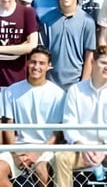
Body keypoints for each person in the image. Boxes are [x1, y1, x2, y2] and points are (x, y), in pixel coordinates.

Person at [54, 45, 107, 187]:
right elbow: (69, 124)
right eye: (103, 63)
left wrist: (106, 148)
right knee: (60, 158)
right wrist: (83, 147)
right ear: (93, 62)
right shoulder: (75, 90)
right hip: (81, 149)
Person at [0, 48, 64, 187]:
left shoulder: (59, 94)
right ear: (27, 62)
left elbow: (58, 133)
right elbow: (8, 125)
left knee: (42, 171)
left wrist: (37, 153)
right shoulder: (11, 91)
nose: (36, 67)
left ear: (49, 66)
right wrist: (15, 153)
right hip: (18, 148)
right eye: (33, 62)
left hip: (45, 149)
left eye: (41, 63)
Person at [39, 0, 96, 89]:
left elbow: (89, 56)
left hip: (76, 84)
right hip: (50, 84)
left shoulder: (87, 21)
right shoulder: (46, 19)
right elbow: (41, 53)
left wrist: (83, 85)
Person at [0, 0, 38, 88]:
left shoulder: (27, 12)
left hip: (17, 80)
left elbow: (31, 46)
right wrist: (19, 48)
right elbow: (25, 46)